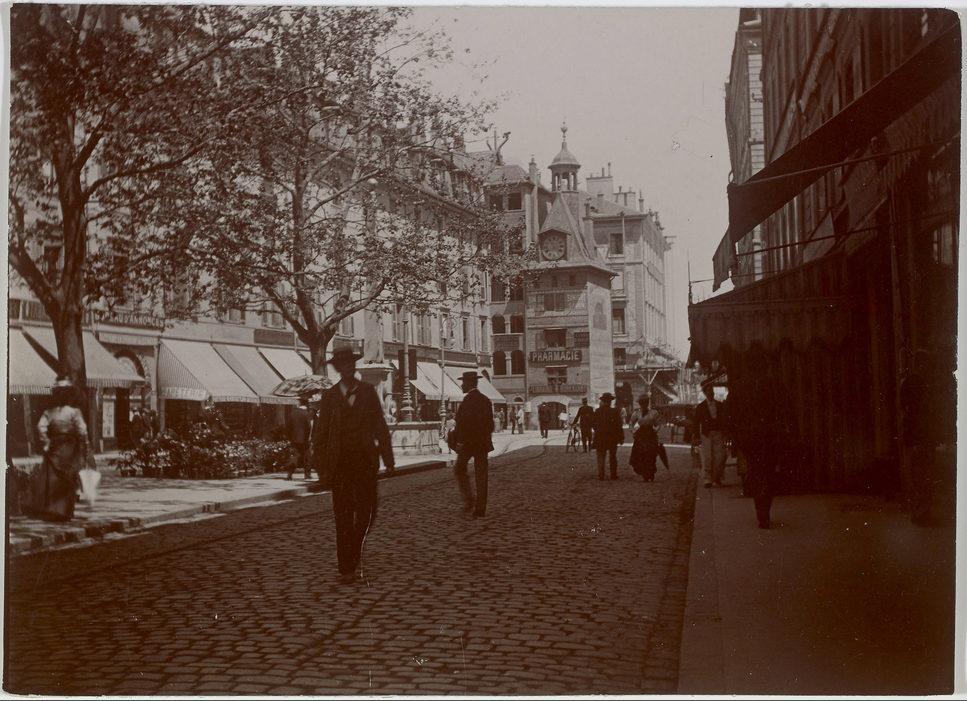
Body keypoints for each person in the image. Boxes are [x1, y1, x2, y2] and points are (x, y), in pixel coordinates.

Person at [312, 346, 395, 584]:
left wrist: (388, 460)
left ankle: (354, 549)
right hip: (340, 464)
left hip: (364, 461)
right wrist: (322, 468)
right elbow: (320, 434)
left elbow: (380, 427)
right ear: (338, 369)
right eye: (343, 364)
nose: (347, 367)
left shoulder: (368, 392)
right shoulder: (330, 396)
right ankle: (346, 567)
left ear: (354, 365)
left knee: (367, 513)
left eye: (350, 363)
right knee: (343, 515)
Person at [28, 378, 88, 521]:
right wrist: (84, 444)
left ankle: (53, 510)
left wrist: (46, 441)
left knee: (53, 478)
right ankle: (65, 511)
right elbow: (82, 430)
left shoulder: (49, 412)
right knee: (67, 477)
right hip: (69, 447)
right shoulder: (74, 412)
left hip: (54, 446)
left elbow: (41, 427)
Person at [451, 371, 494, 518]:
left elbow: (461, 424)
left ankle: (469, 499)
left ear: (469, 383)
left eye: (464, 382)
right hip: (481, 444)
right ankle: (480, 508)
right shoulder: (485, 400)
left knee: (459, 468)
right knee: (481, 475)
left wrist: (460, 442)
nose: (462, 385)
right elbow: (490, 425)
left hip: (468, 444)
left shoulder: (467, 401)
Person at [694, 382, 728, 488]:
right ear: (705, 393)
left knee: (720, 456)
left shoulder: (720, 405)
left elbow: (724, 420)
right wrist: (696, 436)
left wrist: (726, 433)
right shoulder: (700, 407)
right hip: (706, 434)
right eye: (709, 391)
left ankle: (717, 476)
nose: (711, 393)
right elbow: (696, 422)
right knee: (707, 457)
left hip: (718, 433)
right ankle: (707, 479)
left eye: (712, 391)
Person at [592, 393, 624, 481]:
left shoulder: (597, 411)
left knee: (601, 456)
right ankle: (613, 474)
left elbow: (593, 424)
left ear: (602, 401)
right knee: (612, 456)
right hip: (612, 437)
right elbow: (619, 425)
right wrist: (621, 437)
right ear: (610, 401)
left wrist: (597, 430)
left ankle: (601, 475)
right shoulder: (614, 411)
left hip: (600, 437)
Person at [629, 395, 661, 481]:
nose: (643, 405)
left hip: (650, 435)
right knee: (641, 454)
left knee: (651, 454)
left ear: (647, 403)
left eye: (645, 403)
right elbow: (631, 423)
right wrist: (633, 432)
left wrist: (655, 431)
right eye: (642, 403)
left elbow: (658, 424)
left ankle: (651, 472)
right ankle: (645, 474)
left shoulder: (654, 412)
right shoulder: (637, 413)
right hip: (641, 435)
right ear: (640, 404)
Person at [287, 399, 313, 480]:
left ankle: (290, 473)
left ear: (299, 404)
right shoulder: (307, 414)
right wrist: (309, 438)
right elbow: (309, 427)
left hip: (294, 439)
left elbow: (288, 427)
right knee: (307, 456)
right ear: (306, 405)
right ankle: (307, 475)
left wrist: (290, 437)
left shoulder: (292, 413)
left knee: (294, 456)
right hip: (305, 439)